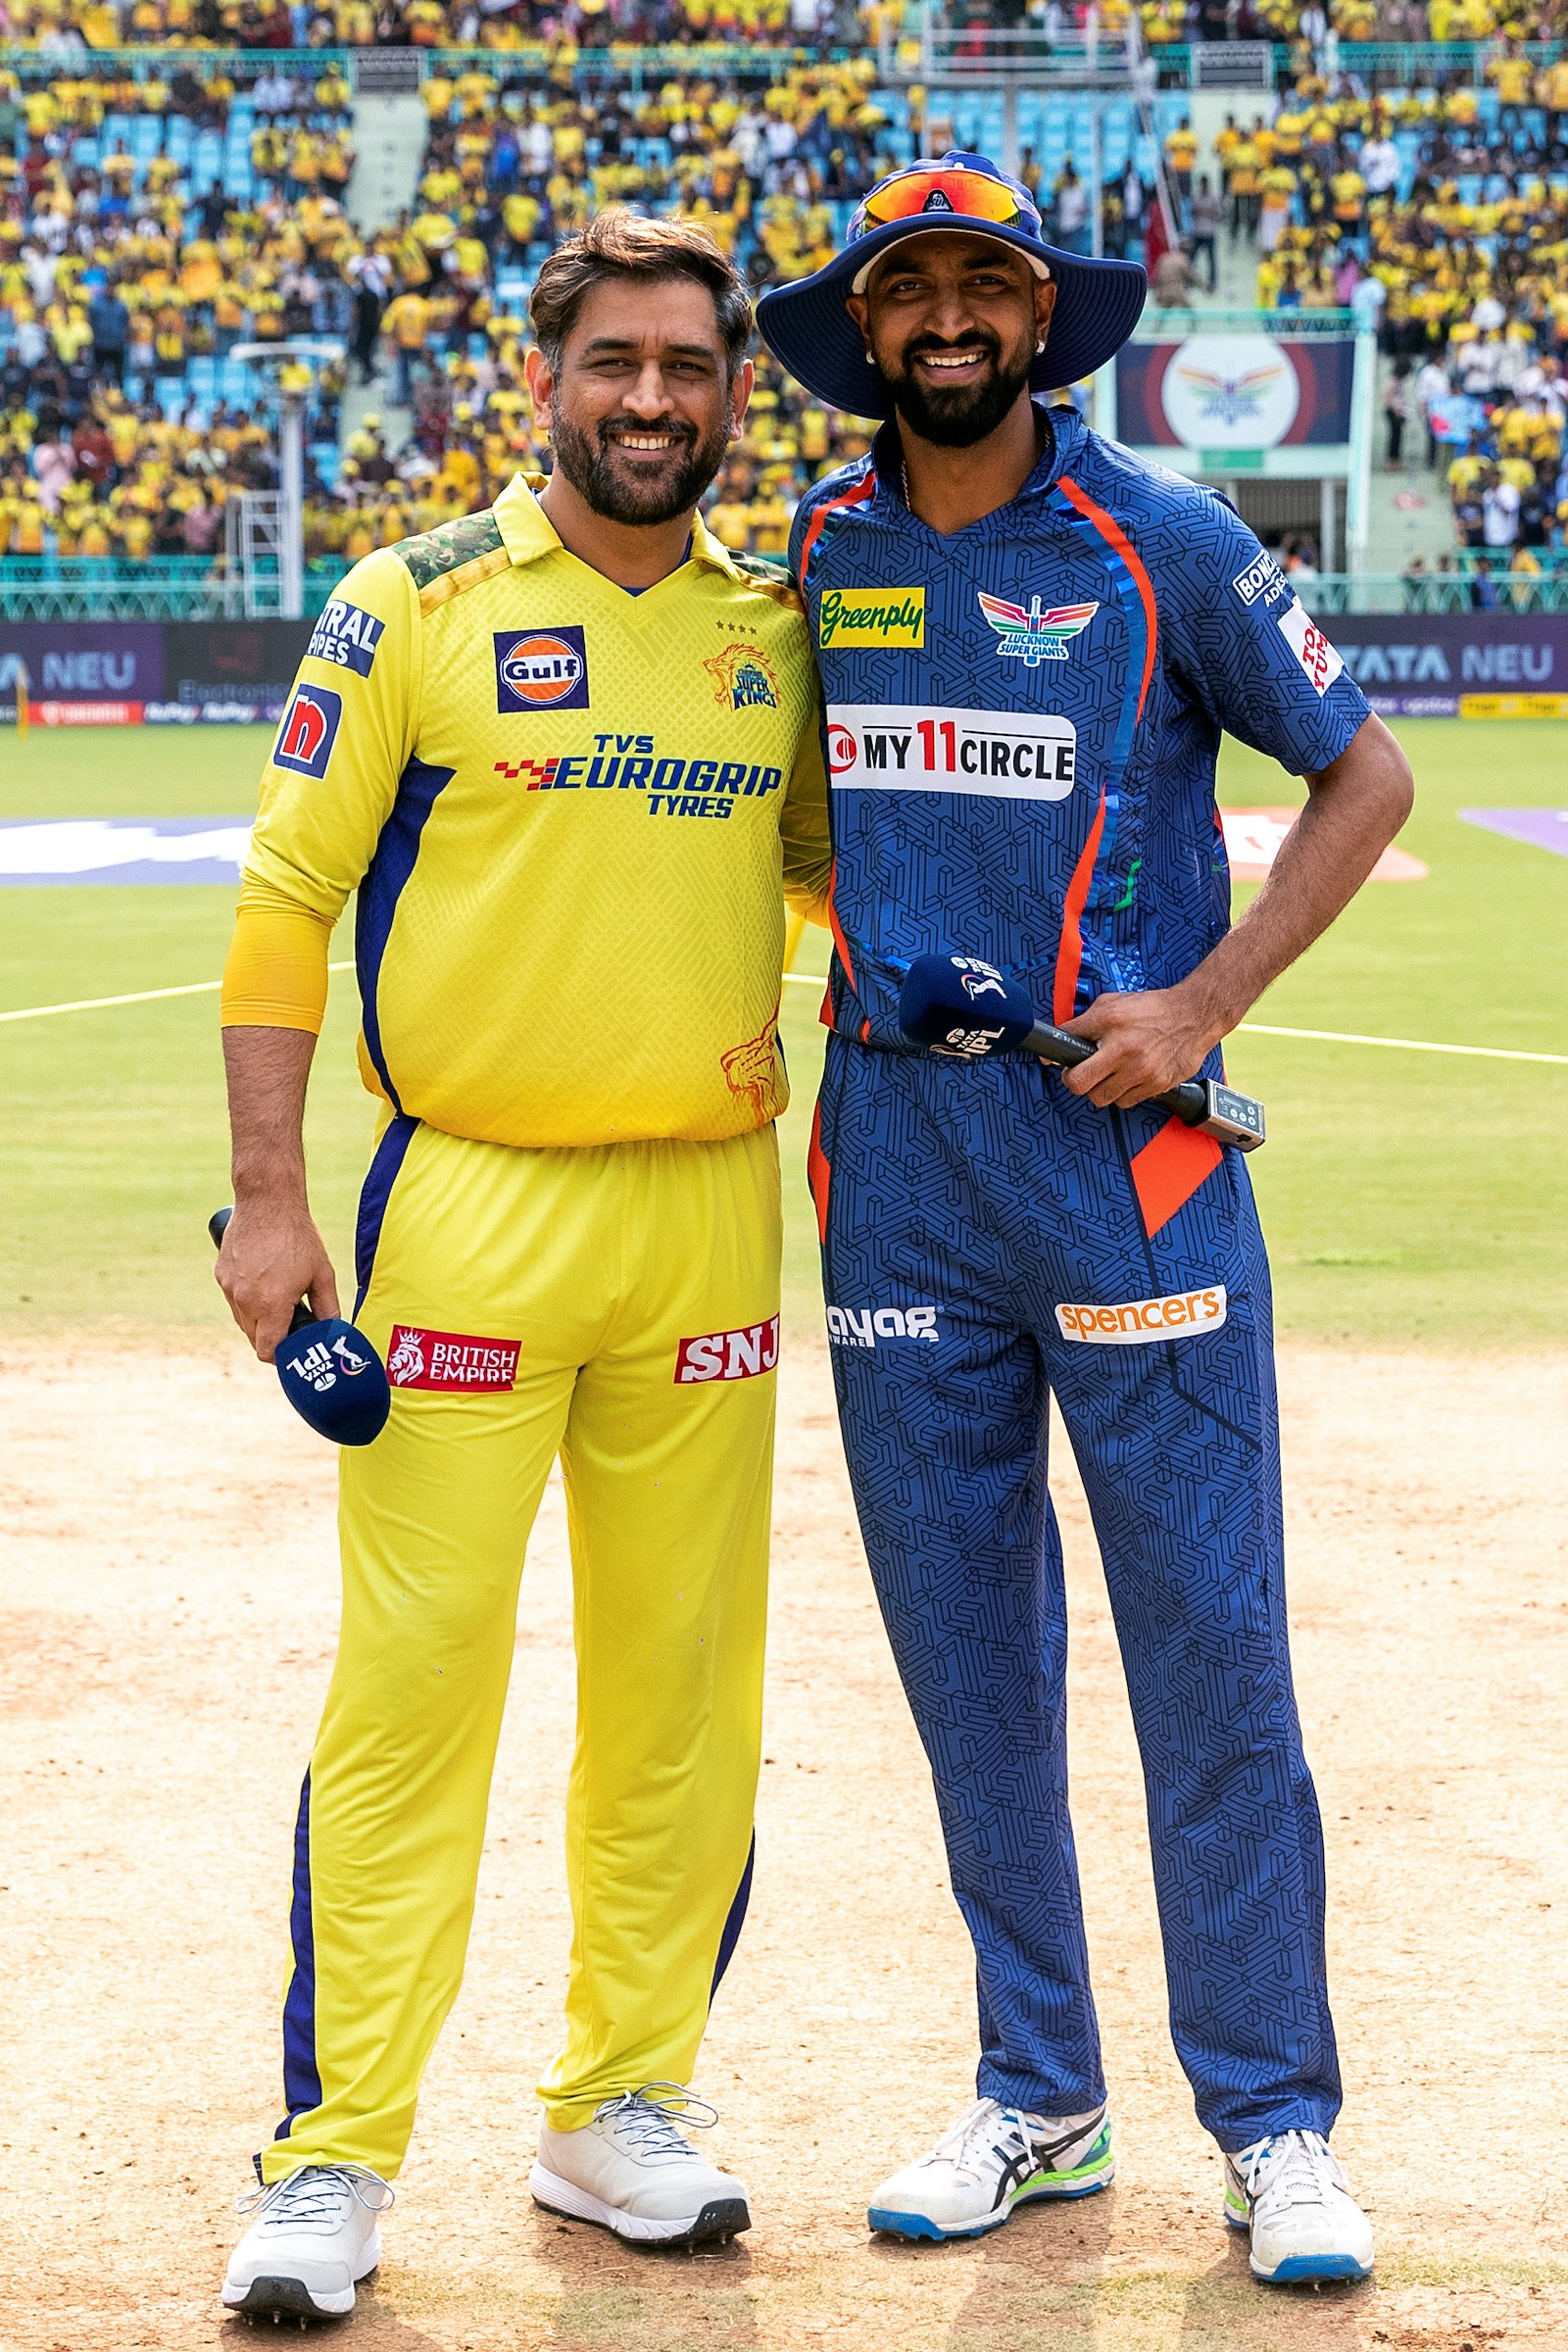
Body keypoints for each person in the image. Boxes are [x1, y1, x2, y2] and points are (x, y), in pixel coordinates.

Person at [758, 151, 1412, 2284]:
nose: (946, 316)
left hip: (1128, 1177)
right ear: (867, 327)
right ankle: (1037, 2093)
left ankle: (1274, 2122)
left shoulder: (1168, 541)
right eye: (908, 286)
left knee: (1209, 1659)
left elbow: (1366, 775)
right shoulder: (818, 546)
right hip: (896, 1180)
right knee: (970, 1669)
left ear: (1040, 320)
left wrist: (1205, 1000)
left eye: (984, 283)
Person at [216, 210, 832, 2325]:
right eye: (616, 364)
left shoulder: (771, 626)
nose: (652, 400)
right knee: (414, 1690)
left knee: (683, 1693)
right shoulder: (413, 601)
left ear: (732, 396)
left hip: (707, 1216)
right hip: (467, 1210)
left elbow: (835, 873)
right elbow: (285, 901)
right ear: (545, 380)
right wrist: (271, 1200)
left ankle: (617, 2105)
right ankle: (332, 2155)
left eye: (689, 368)